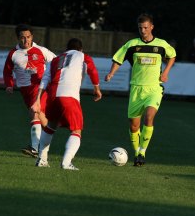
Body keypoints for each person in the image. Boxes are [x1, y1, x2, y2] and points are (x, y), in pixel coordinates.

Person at [105, 13, 176, 166]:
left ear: (151, 27)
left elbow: (172, 55)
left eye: (145, 27)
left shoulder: (161, 45)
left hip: (154, 88)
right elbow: (119, 58)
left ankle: (142, 151)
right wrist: (111, 73)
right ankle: (137, 152)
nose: (143, 31)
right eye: (140, 28)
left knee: (149, 117)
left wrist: (166, 72)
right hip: (136, 88)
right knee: (134, 125)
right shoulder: (132, 44)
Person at [30, 38, 102, 170]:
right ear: (80, 49)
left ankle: (42, 159)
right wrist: (97, 89)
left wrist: (38, 100)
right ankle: (66, 162)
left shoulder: (56, 59)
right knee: (76, 130)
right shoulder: (82, 56)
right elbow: (92, 69)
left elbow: (45, 79)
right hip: (69, 96)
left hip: (53, 96)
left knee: (50, 126)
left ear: (66, 49)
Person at [3, 24, 56, 158]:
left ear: (32, 37)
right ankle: (49, 138)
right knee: (41, 119)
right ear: (18, 38)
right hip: (25, 91)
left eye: (28, 37)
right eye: (22, 37)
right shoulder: (13, 54)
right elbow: (7, 72)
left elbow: (56, 61)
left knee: (34, 113)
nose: (26, 40)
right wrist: (9, 85)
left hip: (40, 87)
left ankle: (34, 148)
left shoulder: (41, 50)